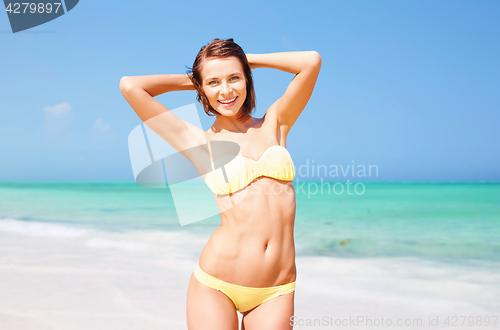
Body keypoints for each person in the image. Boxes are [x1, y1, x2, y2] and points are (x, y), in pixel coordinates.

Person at [119, 38, 321, 330]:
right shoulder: (197, 142)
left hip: (277, 290)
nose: (226, 91)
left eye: (234, 78)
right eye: (214, 83)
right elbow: (131, 86)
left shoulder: (275, 124)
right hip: (217, 285)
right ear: (203, 89)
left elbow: (310, 62)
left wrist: (243, 59)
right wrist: (200, 80)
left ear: (247, 79)